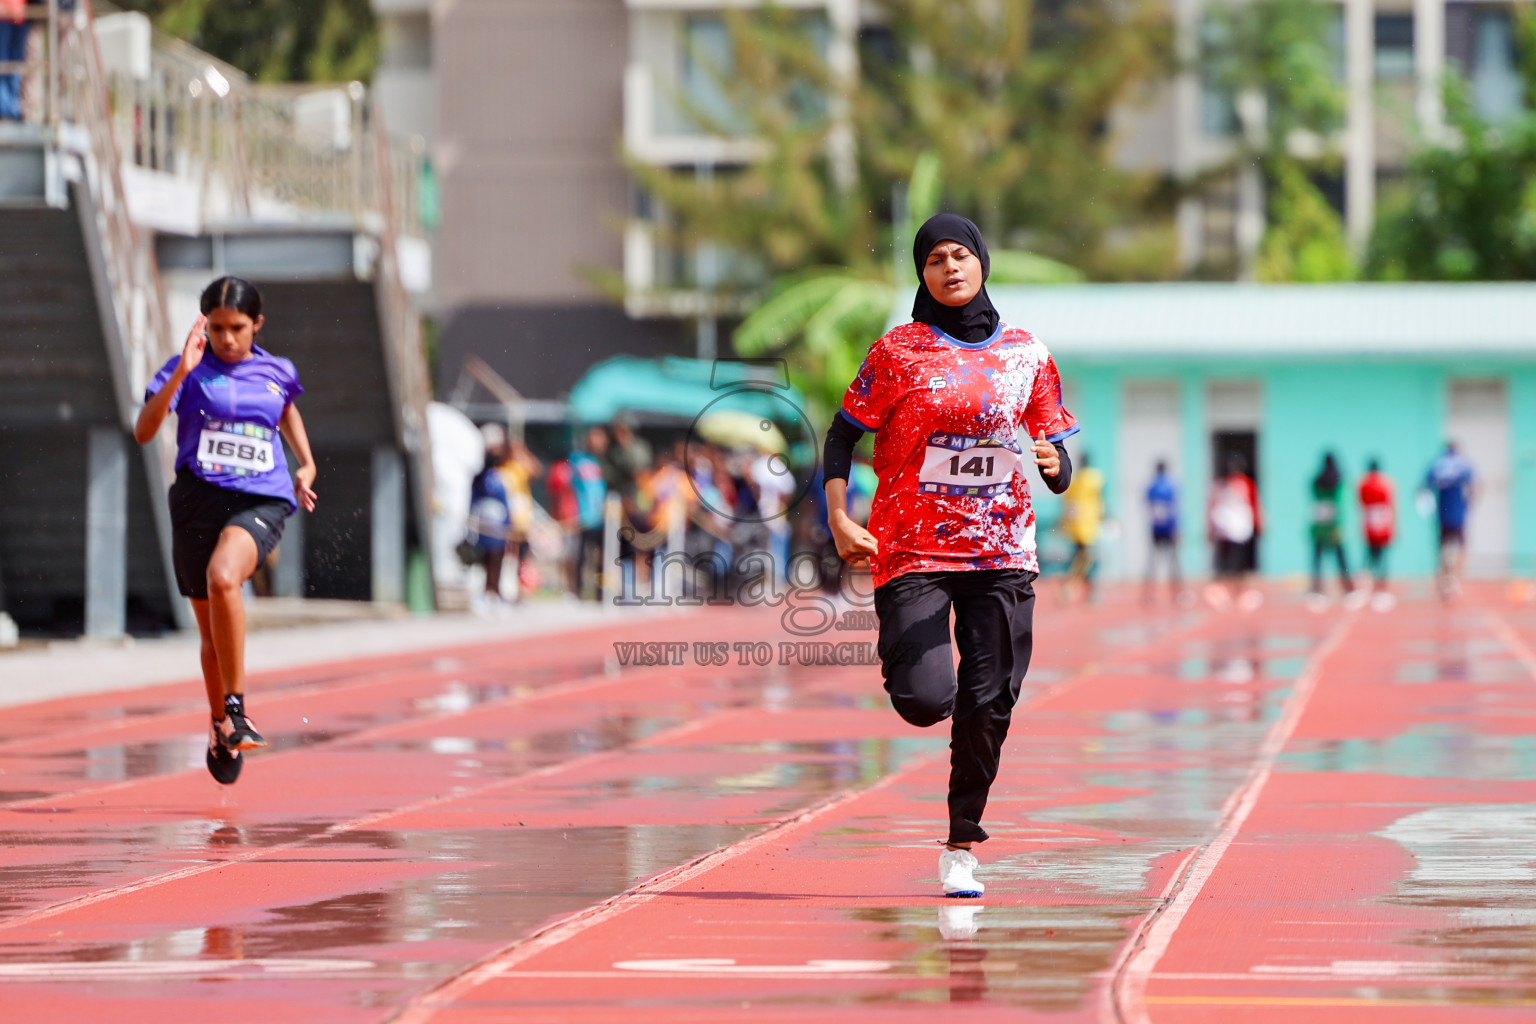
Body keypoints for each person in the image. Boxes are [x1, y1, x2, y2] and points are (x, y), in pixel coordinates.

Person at [823, 214, 1077, 899]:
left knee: (991, 697)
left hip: (1001, 548)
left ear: (982, 262)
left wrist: (1058, 466)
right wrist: (838, 515)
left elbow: (1057, 454)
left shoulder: (1027, 353)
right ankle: (928, 685)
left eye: (960, 254)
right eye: (934, 259)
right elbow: (841, 437)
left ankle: (962, 843)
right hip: (913, 549)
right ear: (922, 274)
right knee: (924, 699)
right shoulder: (897, 352)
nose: (950, 267)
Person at [134, 277, 317, 785]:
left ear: (256, 324)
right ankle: (219, 724)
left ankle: (236, 708)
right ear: (202, 326)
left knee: (223, 578)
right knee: (211, 633)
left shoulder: (276, 370)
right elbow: (144, 430)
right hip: (197, 499)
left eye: (237, 328)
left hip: (261, 498)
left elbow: (285, 410)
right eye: (216, 329)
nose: (227, 339)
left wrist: (307, 464)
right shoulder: (186, 369)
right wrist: (182, 375)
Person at [466, 431, 513, 614]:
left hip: (498, 525)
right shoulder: (482, 475)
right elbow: (474, 498)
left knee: (497, 559)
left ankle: (496, 593)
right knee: (483, 559)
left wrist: (509, 525)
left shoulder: (503, 476)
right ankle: (483, 593)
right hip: (483, 524)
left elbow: (506, 504)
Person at [1207, 454, 1261, 610]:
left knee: (1234, 563)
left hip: (1232, 530)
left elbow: (1213, 506)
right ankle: (1228, 592)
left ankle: (1233, 592)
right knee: (1232, 564)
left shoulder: (1231, 484)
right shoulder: (1229, 485)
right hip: (1234, 530)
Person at [1424, 441, 1475, 598]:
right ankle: (1455, 579)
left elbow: (1425, 486)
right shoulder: (1463, 464)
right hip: (1459, 514)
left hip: (1442, 514)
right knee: (1462, 548)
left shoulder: (1437, 464)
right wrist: (1468, 504)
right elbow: (1474, 485)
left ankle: (1444, 580)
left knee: (1442, 549)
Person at [1308, 453, 1353, 600]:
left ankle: (1316, 586)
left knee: (1317, 557)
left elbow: (1313, 495)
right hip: (1334, 523)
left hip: (1319, 523)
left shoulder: (1316, 480)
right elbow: (1339, 502)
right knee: (1341, 556)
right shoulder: (1338, 480)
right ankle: (1347, 586)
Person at [1060, 452, 1104, 602]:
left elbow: (1068, 504)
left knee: (1081, 557)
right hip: (1089, 525)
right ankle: (1075, 588)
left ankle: (1077, 588)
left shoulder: (1076, 480)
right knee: (1086, 559)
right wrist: (1103, 516)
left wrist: (1064, 522)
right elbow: (1100, 497)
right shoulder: (1094, 478)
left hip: (1076, 525)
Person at [1358, 458, 1396, 609]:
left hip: (1370, 524)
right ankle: (1380, 589)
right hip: (1383, 524)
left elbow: (1361, 506)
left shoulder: (1363, 483)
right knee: (1382, 557)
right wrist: (1394, 526)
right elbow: (1392, 505)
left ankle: (1367, 588)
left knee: (1370, 557)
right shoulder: (1387, 482)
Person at [1144, 460, 1181, 602]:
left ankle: (1149, 594)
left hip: (1156, 528)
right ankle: (1177, 594)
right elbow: (1175, 508)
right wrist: (1177, 528)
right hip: (1169, 527)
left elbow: (1148, 505)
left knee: (1152, 561)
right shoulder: (1171, 485)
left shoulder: (1152, 486)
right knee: (1174, 562)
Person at [0, 0, 27, 122]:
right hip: (3, 13)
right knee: (3, 61)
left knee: (16, 63)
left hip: (20, 14)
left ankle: (12, 106)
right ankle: (5, 107)